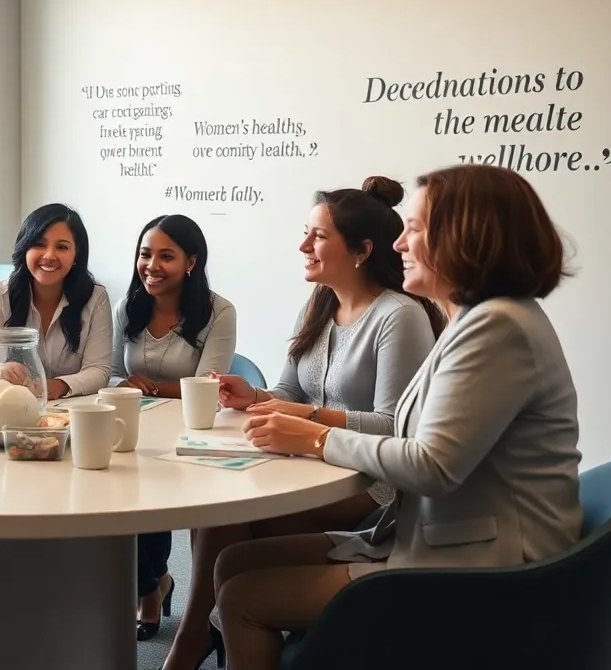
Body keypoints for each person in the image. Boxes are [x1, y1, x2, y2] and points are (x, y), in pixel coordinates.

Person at [208, 164, 582, 670]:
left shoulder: (497, 327)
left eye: (415, 228)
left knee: (242, 598)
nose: (399, 244)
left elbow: (432, 464)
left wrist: (316, 438)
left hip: (482, 568)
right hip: (430, 535)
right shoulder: (472, 319)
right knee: (234, 560)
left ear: (467, 236)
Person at [161, 176, 443, 670]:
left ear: (361, 250)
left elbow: (395, 426)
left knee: (228, 517)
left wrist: (308, 418)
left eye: (317, 236)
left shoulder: (399, 317)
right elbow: (290, 393)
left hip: (369, 481)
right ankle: (214, 630)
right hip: (310, 460)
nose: (303, 246)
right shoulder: (319, 305)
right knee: (223, 513)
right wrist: (257, 397)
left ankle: (200, 636)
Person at [111, 214, 237, 641]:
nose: (152, 265)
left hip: (189, 433)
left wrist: (151, 388)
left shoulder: (218, 312)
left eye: (166, 256)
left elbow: (209, 386)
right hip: (130, 428)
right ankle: (156, 582)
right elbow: (109, 375)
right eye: (145, 254)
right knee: (114, 501)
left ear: (191, 262)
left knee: (151, 498)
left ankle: (149, 590)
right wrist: (126, 384)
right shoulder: (127, 307)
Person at [0, 203, 112, 398]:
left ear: (76, 255)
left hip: (73, 411)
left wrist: (59, 385)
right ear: (25, 248)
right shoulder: (0, 294)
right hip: (14, 406)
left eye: (62, 247)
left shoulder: (95, 298)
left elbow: (99, 370)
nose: (49, 255)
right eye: (39, 244)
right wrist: (1, 369)